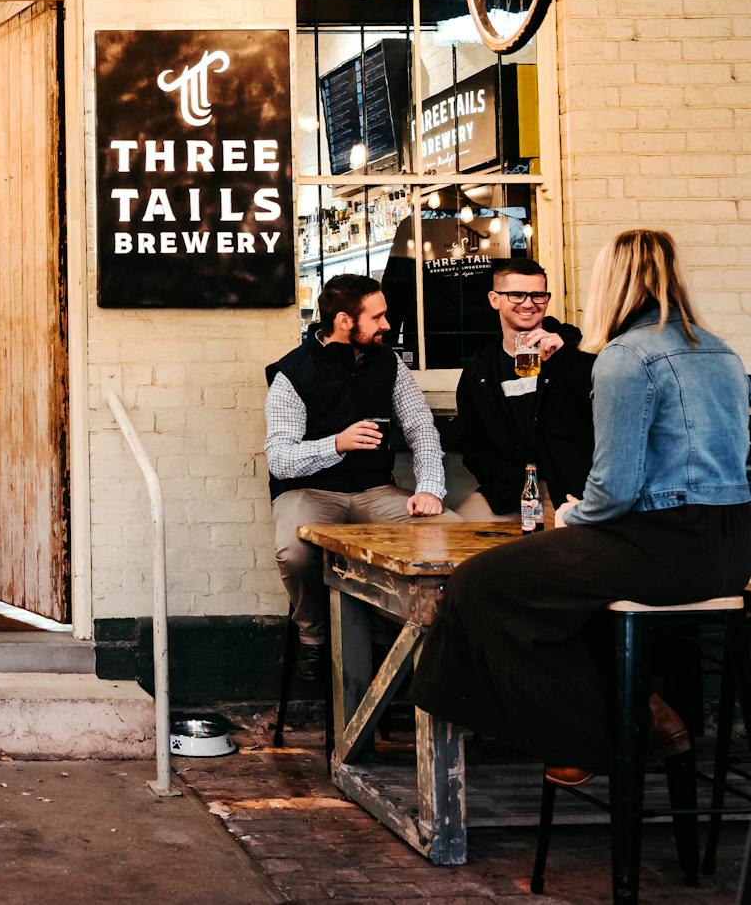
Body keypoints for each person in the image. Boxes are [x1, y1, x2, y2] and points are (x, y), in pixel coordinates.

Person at [413, 229, 751, 784]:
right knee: (561, 596)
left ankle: (603, 734)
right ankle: (644, 713)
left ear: (611, 282)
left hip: (664, 545)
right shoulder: (720, 349)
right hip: (731, 547)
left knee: (477, 584)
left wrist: (574, 517)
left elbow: (614, 488)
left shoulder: (625, 357)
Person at [265, 273, 460, 679]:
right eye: (378, 317)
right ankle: (314, 638)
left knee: (450, 534)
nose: (387, 325)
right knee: (294, 551)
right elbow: (280, 461)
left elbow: (422, 428)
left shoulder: (388, 363)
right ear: (343, 321)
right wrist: (336, 443)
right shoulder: (292, 374)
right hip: (309, 492)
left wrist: (429, 489)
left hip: (376, 491)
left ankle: (414, 635)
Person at [448, 257, 595, 518]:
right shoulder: (480, 369)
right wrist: (504, 478)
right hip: (507, 491)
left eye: (538, 295)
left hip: (565, 489)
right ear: (495, 300)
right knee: (454, 532)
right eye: (516, 295)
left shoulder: (575, 352)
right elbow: (471, 439)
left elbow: (600, 413)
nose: (528, 303)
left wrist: (569, 357)